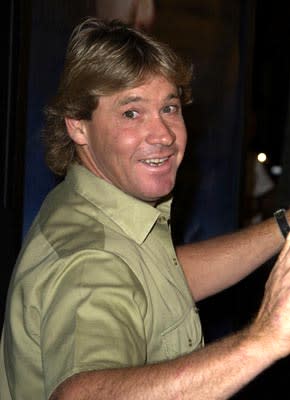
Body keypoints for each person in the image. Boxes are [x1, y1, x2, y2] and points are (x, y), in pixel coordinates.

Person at [1, 17, 290, 400]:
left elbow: (156, 279)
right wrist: (264, 339)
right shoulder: (89, 261)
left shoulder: (96, 204)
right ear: (77, 125)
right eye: (131, 113)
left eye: (169, 108)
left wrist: (284, 226)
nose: (164, 135)